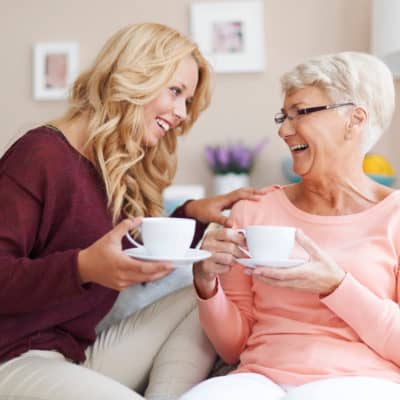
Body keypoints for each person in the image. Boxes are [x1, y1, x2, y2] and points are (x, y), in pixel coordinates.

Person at [0, 22, 263, 400]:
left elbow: (127, 252)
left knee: (202, 288)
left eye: (187, 100)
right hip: (14, 357)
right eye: (175, 92)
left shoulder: (109, 168)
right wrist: (82, 267)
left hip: (73, 355)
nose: (182, 113)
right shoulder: (39, 155)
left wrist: (193, 215)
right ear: (135, 75)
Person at [183, 51, 400, 400]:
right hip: (260, 380)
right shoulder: (254, 211)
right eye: (283, 116)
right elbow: (234, 347)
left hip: (362, 381)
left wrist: (336, 285)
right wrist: (205, 283)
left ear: (354, 120)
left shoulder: (395, 216)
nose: (284, 130)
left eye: (301, 112)